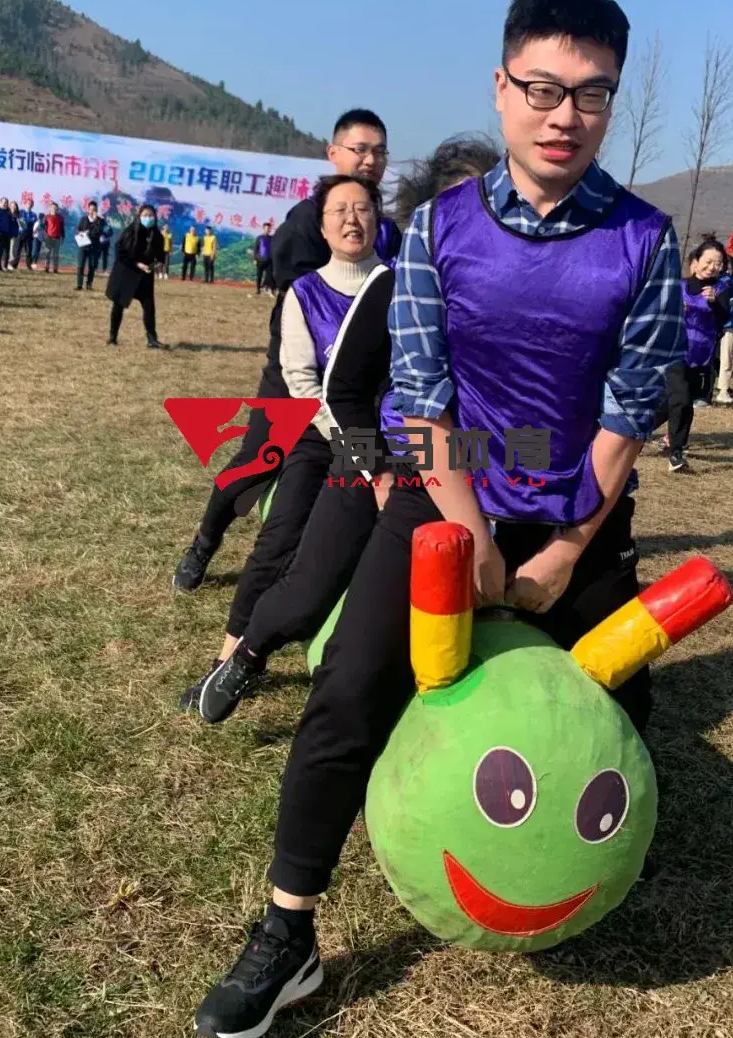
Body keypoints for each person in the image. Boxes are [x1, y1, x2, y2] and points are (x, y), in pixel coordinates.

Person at [192, 0, 686, 1038]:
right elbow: (419, 394)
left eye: (592, 93)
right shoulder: (438, 229)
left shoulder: (647, 240)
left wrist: (562, 552)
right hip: (441, 494)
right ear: (501, 88)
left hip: (577, 509)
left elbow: (631, 407)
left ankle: (589, 856)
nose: (565, 115)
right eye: (542, 88)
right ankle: (288, 931)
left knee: (625, 700)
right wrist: (469, 537)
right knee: (350, 687)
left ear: (612, 100)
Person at [191, 139, 503, 723]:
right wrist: (376, 470)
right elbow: (339, 393)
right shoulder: (393, 286)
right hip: (380, 459)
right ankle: (246, 654)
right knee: (309, 587)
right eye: (459, 207)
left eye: (492, 204)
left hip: (471, 463)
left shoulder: (517, 295)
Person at [187, 175, 387, 720]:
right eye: (339, 210)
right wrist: (353, 445)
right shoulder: (305, 293)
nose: (352, 219)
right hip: (319, 438)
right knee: (277, 543)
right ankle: (227, 661)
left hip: (383, 447)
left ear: (377, 219)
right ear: (321, 226)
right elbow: (302, 383)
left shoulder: (397, 286)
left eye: (363, 208)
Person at [173, 110, 390, 594]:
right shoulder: (305, 224)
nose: (370, 160)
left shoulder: (385, 229)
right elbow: (304, 308)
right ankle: (205, 542)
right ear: (333, 154)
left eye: (379, 152)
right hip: (300, 376)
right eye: (359, 149)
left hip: (359, 386)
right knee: (259, 462)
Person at [655, 237, 731, 471]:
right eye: (708, 261)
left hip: (702, 356)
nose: (712, 267)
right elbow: (661, 313)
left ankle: (637, 429)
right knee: (682, 399)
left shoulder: (722, 289)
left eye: (718, 263)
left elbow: (724, 319)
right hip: (675, 351)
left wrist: (714, 302)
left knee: (674, 403)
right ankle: (676, 452)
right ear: (695, 263)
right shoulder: (679, 286)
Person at [105, 204, 166, 348]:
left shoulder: (157, 235)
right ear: (139, 216)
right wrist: (137, 264)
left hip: (145, 276)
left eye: (151, 215)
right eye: (145, 215)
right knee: (118, 306)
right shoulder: (131, 231)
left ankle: (152, 340)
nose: (148, 218)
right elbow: (121, 253)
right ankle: (112, 337)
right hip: (127, 273)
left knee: (149, 307)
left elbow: (160, 256)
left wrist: (156, 264)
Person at [712, 256, 733, 404]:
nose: (728, 270)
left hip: (731, 324)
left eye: (731, 267)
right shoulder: (715, 280)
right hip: (713, 323)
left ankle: (723, 390)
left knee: (727, 358)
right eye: (725, 267)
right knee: (711, 358)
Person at [75, 201, 105, 289]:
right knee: (80, 265)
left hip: (94, 246)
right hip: (83, 245)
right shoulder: (83, 219)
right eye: (91, 209)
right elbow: (78, 229)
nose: (92, 211)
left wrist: (97, 220)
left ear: (97, 210)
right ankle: (79, 285)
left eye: (94, 210)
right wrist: (80, 233)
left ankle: (89, 284)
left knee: (92, 266)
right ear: (88, 210)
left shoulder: (100, 221)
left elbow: (99, 231)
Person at [0, 197, 17, 271]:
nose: (5, 204)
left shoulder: (8, 211)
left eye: (6, 203)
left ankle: (2, 266)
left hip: (7, 234)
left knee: (6, 251)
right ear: (0, 202)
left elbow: (11, 222)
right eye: (4, 202)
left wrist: (11, 233)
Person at [11, 200, 35, 269]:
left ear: (32, 205)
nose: (29, 205)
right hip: (19, 234)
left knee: (28, 251)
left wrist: (25, 221)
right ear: (25, 204)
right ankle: (13, 265)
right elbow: (15, 217)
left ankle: (29, 266)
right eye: (28, 203)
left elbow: (33, 223)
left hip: (29, 235)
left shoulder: (34, 214)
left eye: (31, 204)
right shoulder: (20, 212)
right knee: (17, 251)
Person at [42, 204, 64, 273]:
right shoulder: (46, 217)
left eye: (55, 207)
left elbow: (62, 228)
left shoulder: (60, 217)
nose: (54, 208)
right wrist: (44, 235)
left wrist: (63, 236)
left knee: (56, 254)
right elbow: (43, 226)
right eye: (53, 207)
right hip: (48, 238)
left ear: (57, 209)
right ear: (50, 208)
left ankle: (55, 268)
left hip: (57, 238)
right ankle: (46, 267)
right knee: (47, 253)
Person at [253, 228, 274, 293]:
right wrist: (255, 259)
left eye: (268, 229)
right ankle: (258, 289)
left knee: (269, 275)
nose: (267, 230)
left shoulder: (271, 238)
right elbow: (256, 249)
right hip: (260, 260)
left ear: (270, 230)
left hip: (269, 260)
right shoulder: (259, 237)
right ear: (263, 229)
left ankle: (267, 288)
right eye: (266, 228)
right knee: (259, 275)